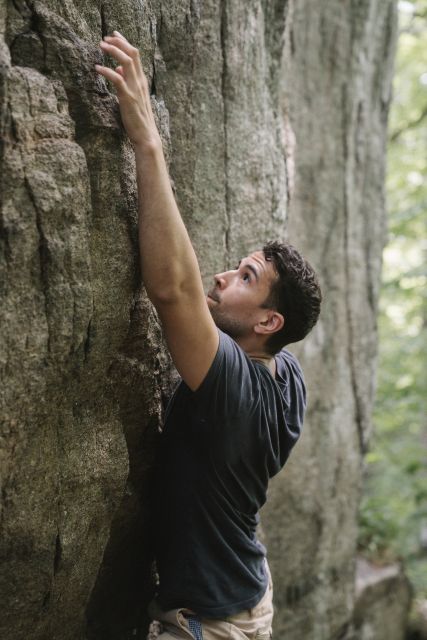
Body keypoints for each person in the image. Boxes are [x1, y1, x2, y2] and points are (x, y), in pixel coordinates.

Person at [96, 32, 321, 640]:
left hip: (209, 624)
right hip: (246, 595)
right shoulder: (286, 374)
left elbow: (174, 291)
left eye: (246, 277)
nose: (224, 275)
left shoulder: (235, 389)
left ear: (269, 324)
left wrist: (145, 136)